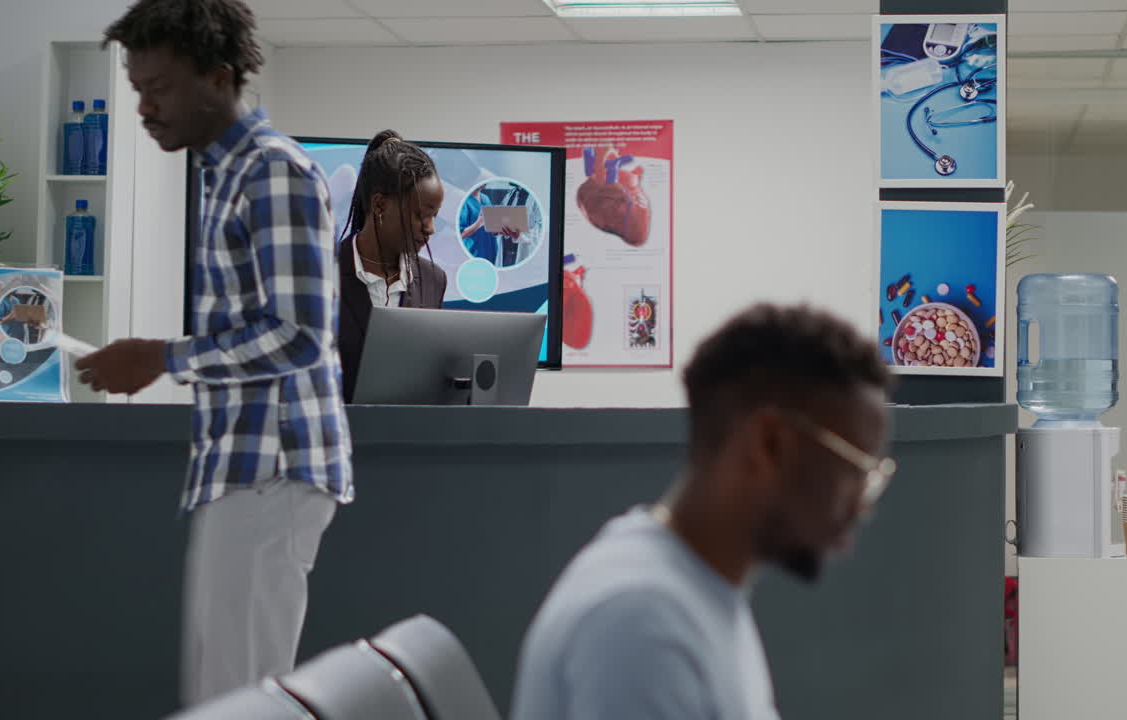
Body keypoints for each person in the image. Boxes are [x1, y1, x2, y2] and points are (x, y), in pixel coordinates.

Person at [86, 0, 351, 706]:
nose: (145, 107)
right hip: (240, 468)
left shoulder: (271, 172)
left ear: (218, 77)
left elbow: (300, 333)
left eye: (161, 88)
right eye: (138, 89)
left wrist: (162, 357)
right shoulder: (225, 174)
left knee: (243, 699)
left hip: (272, 470)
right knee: (221, 696)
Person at [510, 303, 894, 720]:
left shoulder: (695, 583)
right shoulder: (644, 624)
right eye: (856, 470)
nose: (863, 505)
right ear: (769, 444)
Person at [337, 130, 447, 403]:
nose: (430, 228)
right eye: (421, 215)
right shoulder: (322, 275)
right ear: (379, 205)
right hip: (336, 438)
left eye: (435, 216)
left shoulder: (433, 280)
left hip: (407, 438)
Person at [459, 183, 519, 265]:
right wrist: (478, 223)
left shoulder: (485, 198)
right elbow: (460, 234)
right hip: (474, 252)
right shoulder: (464, 201)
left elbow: (490, 225)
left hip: (491, 252)